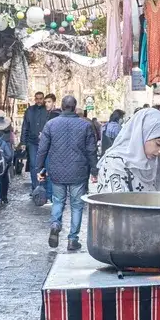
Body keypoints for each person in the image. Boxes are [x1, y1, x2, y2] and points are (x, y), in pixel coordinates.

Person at [36, 96, 98, 251]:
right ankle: (72, 239)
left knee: (58, 201)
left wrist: (39, 168)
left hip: (57, 170)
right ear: (75, 107)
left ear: (62, 107)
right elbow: (91, 150)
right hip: (78, 171)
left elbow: (42, 148)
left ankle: (56, 224)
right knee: (77, 206)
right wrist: (94, 170)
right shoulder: (86, 126)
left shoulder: (51, 124)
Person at [95, 108, 160, 193]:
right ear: (142, 135)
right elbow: (118, 202)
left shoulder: (150, 161)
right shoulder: (115, 163)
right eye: (159, 144)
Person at [20, 91, 51, 191]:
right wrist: (23, 142)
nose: (39, 100)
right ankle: (36, 188)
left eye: (40, 98)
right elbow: (25, 126)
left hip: (46, 142)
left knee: (45, 164)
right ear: (34, 99)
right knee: (33, 165)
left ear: (43, 99)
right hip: (32, 141)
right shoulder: (29, 110)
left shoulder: (47, 110)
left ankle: (44, 187)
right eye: (37, 98)